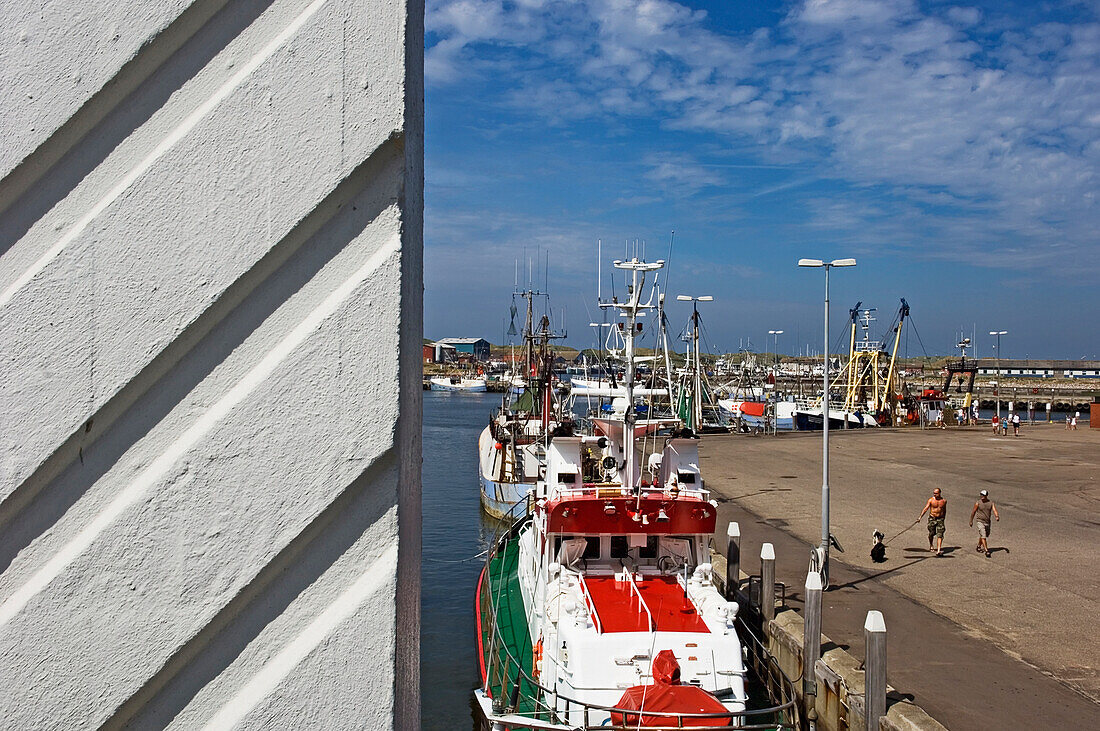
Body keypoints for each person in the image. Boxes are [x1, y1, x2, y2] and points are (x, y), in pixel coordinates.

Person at [969, 489, 1000, 557]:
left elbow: (994, 510)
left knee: (984, 535)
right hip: (980, 521)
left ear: (986, 495)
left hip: (987, 522)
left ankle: (978, 546)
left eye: (983, 495)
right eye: (981, 495)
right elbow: (973, 512)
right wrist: (971, 521)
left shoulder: (991, 503)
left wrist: (997, 516)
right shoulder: (978, 503)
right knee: (983, 535)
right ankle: (986, 550)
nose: (982, 496)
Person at [919, 488, 948, 555]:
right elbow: (926, 508)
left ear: (940, 493)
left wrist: (944, 518)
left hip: (940, 519)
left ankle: (938, 550)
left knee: (940, 534)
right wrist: (920, 517)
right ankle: (931, 545)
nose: (934, 494)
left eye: (936, 493)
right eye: (934, 493)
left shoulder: (944, 501)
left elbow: (944, 510)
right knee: (931, 533)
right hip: (932, 518)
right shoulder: (931, 500)